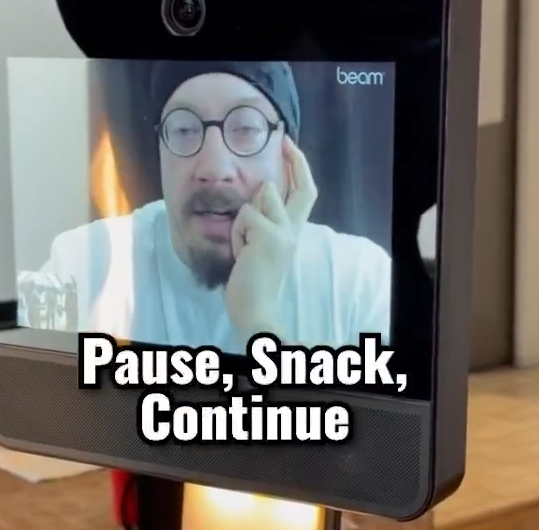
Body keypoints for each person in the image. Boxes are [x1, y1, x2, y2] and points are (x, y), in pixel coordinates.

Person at [20, 61, 391, 351]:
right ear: (160, 151)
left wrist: (258, 323)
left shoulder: (359, 283)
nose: (214, 170)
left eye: (246, 129)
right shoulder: (81, 265)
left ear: (289, 157)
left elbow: (364, 428)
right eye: (184, 130)